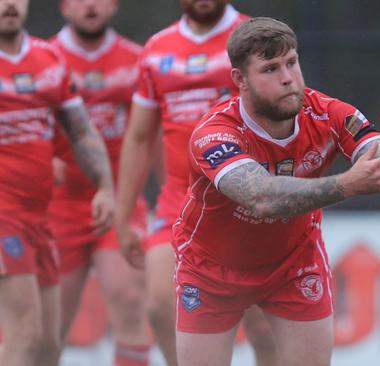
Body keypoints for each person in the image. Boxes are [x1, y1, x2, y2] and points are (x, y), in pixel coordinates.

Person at [173, 17, 380, 366]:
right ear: (239, 80)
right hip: (211, 269)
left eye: (292, 62)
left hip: (292, 264)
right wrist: (346, 185)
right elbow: (260, 197)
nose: (288, 78)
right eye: (270, 68)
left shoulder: (329, 114)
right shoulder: (214, 134)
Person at [115, 1, 278, 365]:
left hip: (243, 201)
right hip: (180, 200)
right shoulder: (157, 49)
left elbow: (286, 113)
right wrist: (123, 215)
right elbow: (140, 137)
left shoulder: (255, 35)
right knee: (160, 305)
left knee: (263, 326)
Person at [0, 0, 115, 364]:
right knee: (24, 333)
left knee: (49, 344)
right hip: (3, 216)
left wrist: (106, 186)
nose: (9, 5)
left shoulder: (49, 58)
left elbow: (81, 131)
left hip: (38, 216)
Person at [48, 0, 152, 365]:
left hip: (121, 203)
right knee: (49, 326)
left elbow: (150, 136)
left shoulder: (138, 60)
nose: (89, 5)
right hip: (57, 207)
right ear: (63, 7)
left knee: (130, 302)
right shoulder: (45, 60)